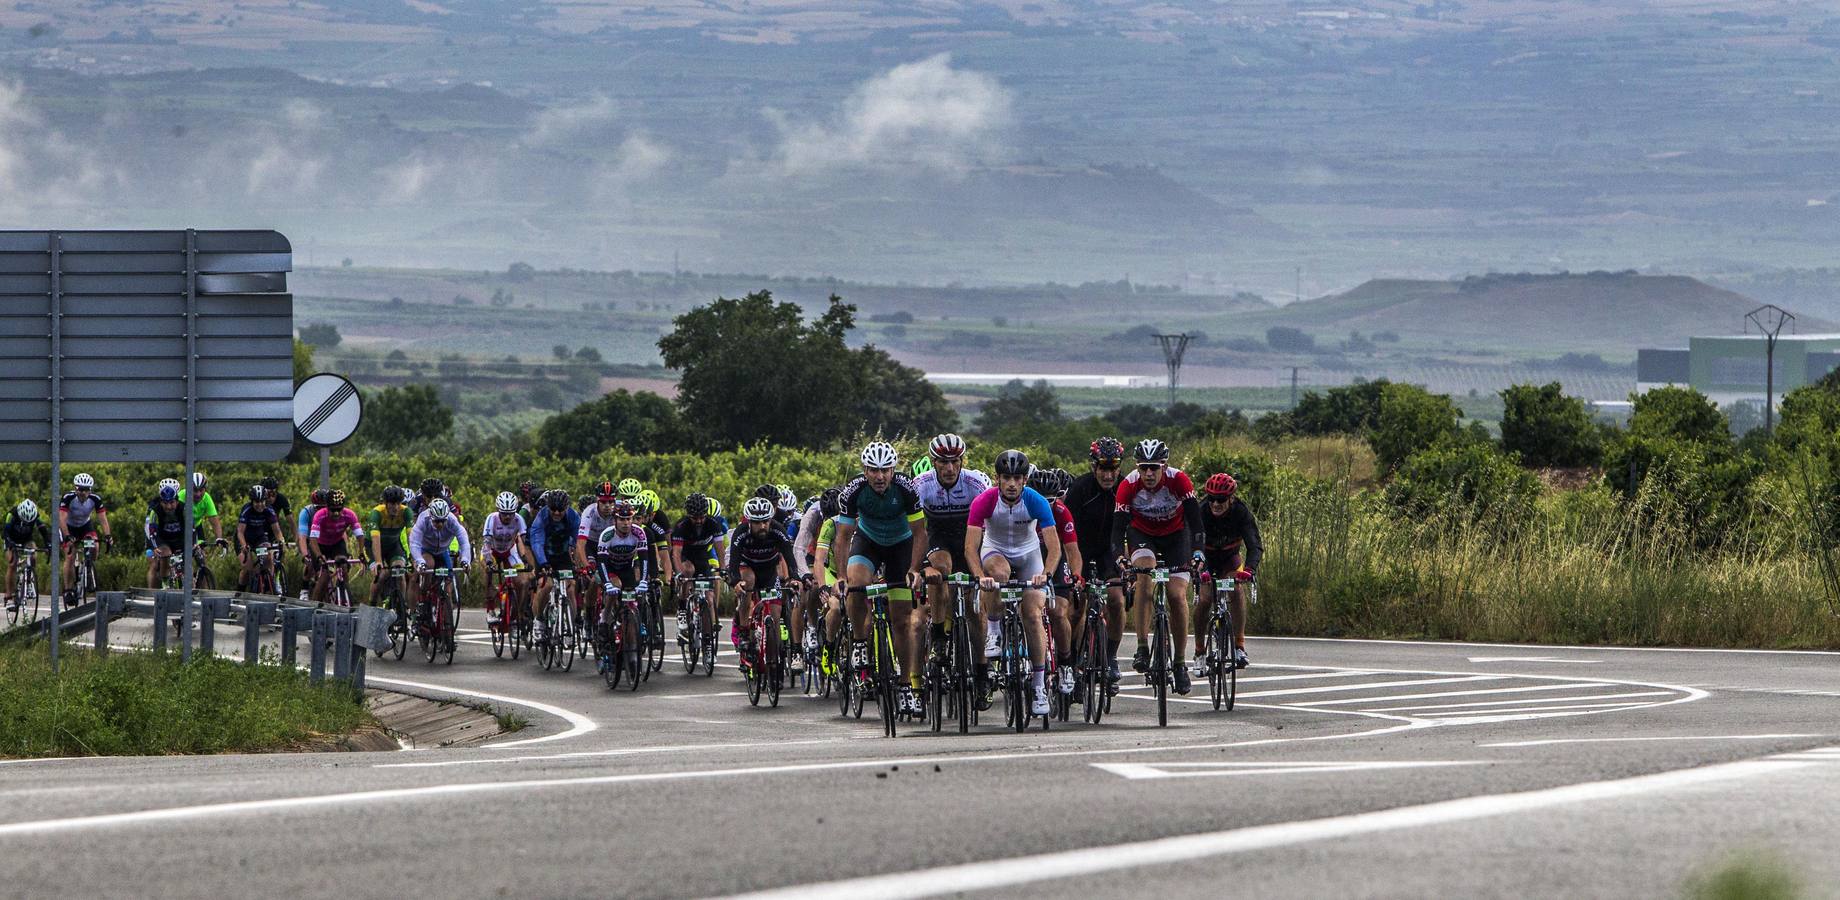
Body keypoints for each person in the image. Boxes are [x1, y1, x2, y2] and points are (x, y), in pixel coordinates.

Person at [832, 441, 928, 717]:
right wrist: (840, 575)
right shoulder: (854, 491)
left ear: (893, 470)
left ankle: (906, 685)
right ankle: (860, 643)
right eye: (873, 470)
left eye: (885, 470)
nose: (880, 476)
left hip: (901, 546)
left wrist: (914, 569)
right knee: (856, 584)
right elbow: (843, 536)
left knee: (901, 622)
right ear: (865, 470)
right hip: (868, 542)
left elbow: (920, 533)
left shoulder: (907, 489)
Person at [966, 450, 1062, 717]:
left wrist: (1047, 574)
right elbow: (970, 548)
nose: (1011, 483)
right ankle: (994, 631)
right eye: (1006, 477)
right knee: (997, 573)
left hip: (1029, 555)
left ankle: (1039, 685)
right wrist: (979, 576)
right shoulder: (984, 501)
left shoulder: (1036, 501)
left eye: (1017, 478)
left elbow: (1054, 549)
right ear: (997, 478)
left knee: (1032, 614)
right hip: (995, 551)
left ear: (1024, 480)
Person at [1110, 438, 1203, 695]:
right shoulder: (1128, 485)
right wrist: (1121, 558)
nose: (1148, 473)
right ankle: (1142, 646)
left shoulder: (1179, 480)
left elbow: (1196, 522)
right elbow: (1117, 530)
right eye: (1143, 468)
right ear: (1137, 468)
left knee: (1176, 595)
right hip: (1143, 534)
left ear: (1164, 466)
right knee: (1145, 577)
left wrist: (1198, 553)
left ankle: (1180, 663)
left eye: (1153, 467)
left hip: (1176, 536)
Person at [912, 433, 991, 676]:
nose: (949, 468)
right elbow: (914, 530)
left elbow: (992, 523)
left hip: (969, 536)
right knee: (941, 571)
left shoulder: (976, 483)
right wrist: (924, 564)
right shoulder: (921, 484)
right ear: (933, 461)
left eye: (955, 462)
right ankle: (938, 635)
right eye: (943, 462)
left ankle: (981, 670)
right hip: (937, 536)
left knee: (974, 612)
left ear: (962, 461)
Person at [1063, 437, 1128, 685]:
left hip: (1109, 553)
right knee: (1077, 608)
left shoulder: (1125, 489)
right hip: (1081, 550)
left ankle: (1110, 657)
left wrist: (1129, 564)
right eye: (1103, 467)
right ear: (1094, 467)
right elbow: (1067, 531)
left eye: (1113, 468)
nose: (1108, 474)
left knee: (1116, 599)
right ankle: (1071, 659)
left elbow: (1132, 530)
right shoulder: (1080, 489)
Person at [1191, 473, 1263, 674]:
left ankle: (1239, 646)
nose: (1215, 503)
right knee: (1205, 600)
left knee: (1236, 590)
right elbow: (1190, 542)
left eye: (1221, 499)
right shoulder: (1201, 511)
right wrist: (1199, 569)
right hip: (1205, 559)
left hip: (1230, 559)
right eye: (1211, 498)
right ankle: (1199, 651)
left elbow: (1254, 545)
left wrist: (1249, 570)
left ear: (1231, 498)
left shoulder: (1241, 512)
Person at [726, 497, 801, 674]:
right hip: (748, 568)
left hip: (768, 572)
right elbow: (734, 563)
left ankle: (774, 661)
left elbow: (789, 557)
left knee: (774, 617)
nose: (762, 526)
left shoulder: (778, 530)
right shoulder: (741, 532)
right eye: (757, 522)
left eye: (766, 521)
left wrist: (794, 578)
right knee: (748, 582)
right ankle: (744, 632)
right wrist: (736, 582)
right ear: (749, 521)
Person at [1030, 466, 1083, 696]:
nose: (1045, 505)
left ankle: (1065, 662)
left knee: (1060, 612)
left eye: (1050, 500)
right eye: (1041, 500)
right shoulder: (1020, 507)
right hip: (1029, 556)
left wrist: (1076, 575)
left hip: (1055, 555)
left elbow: (1072, 551)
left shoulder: (1061, 512)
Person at [593, 500, 653, 652]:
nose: (626, 523)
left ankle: (630, 640)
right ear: (615, 520)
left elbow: (644, 559)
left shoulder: (639, 533)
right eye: (621, 519)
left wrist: (643, 581)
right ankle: (604, 618)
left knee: (633, 601)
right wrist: (607, 583)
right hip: (609, 568)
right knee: (616, 586)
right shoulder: (607, 535)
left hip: (627, 569)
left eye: (629, 519)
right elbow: (601, 562)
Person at [670, 492, 728, 645]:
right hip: (686, 555)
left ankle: (708, 641)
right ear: (688, 515)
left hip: (702, 555)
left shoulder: (713, 524)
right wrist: (678, 573)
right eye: (695, 517)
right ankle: (682, 609)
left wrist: (723, 569)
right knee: (688, 571)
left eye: (702, 516)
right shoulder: (681, 526)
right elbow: (676, 553)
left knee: (709, 598)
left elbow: (720, 549)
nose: (699, 521)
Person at [527, 490, 580, 642]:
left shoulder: (573, 516)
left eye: (560, 510)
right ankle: (538, 620)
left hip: (562, 555)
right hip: (544, 554)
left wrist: (579, 563)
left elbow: (579, 542)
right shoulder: (542, 517)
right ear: (548, 507)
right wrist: (543, 563)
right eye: (553, 510)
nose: (556, 513)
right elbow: (537, 542)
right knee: (547, 585)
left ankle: (570, 625)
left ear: (567, 507)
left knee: (571, 586)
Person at [480, 491, 533, 624]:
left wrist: (525, 560)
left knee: (524, 582)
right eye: (504, 513)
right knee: (488, 574)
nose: (508, 517)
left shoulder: (519, 519)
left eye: (511, 513)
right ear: (498, 510)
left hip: (510, 551)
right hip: (492, 551)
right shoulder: (492, 519)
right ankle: (490, 610)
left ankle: (517, 615)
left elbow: (521, 541)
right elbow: (486, 543)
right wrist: (488, 561)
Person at [57, 473, 112, 595]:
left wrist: (108, 536)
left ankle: (88, 567)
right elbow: (61, 519)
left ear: (90, 490)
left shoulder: (95, 499)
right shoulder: (68, 497)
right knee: (70, 556)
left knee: (95, 546)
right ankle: (68, 589)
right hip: (68, 528)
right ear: (76, 488)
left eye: (86, 490)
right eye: (80, 489)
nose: (83, 493)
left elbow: (103, 519)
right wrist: (67, 536)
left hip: (84, 527)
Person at [308, 490, 365, 604]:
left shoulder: (350, 515)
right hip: (320, 545)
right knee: (324, 576)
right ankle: (312, 607)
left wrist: (361, 553)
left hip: (336, 543)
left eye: (339, 509)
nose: (336, 513)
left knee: (343, 567)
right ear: (327, 507)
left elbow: (360, 535)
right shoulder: (320, 515)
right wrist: (319, 555)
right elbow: (313, 539)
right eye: (333, 510)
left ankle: (344, 591)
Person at [236, 484, 286, 591]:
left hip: (259, 537)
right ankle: (240, 592)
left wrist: (281, 541)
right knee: (247, 569)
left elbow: (277, 530)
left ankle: (267, 582)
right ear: (252, 501)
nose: (260, 505)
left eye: (262, 501)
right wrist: (244, 546)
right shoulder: (247, 510)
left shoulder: (269, 510)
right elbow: (240, 532)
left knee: (269, 556)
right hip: (244, 538)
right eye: (257, 502)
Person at [2, 500, 51, 609]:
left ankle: (28, 581)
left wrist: (48, 544)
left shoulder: (35, 516)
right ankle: (9, 596)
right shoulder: (12, 514)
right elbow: (5, 532)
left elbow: (43, 530)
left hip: (26, 540)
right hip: (11, 539)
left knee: (33, 555)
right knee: (12, 563)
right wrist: (9, 542)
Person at [143, 484, 187, 589]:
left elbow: (192, 528)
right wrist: (154, 547)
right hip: (160, 538)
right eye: (165, 503)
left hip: (177, 537)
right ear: (161, 502)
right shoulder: (154, 509)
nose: (168, 507)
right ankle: (162, 586)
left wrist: (194, 544)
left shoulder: (184, 507)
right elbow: (151, 530)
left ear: (177, 501)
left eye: (172, 503)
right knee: (160, 559)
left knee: (187, 564)